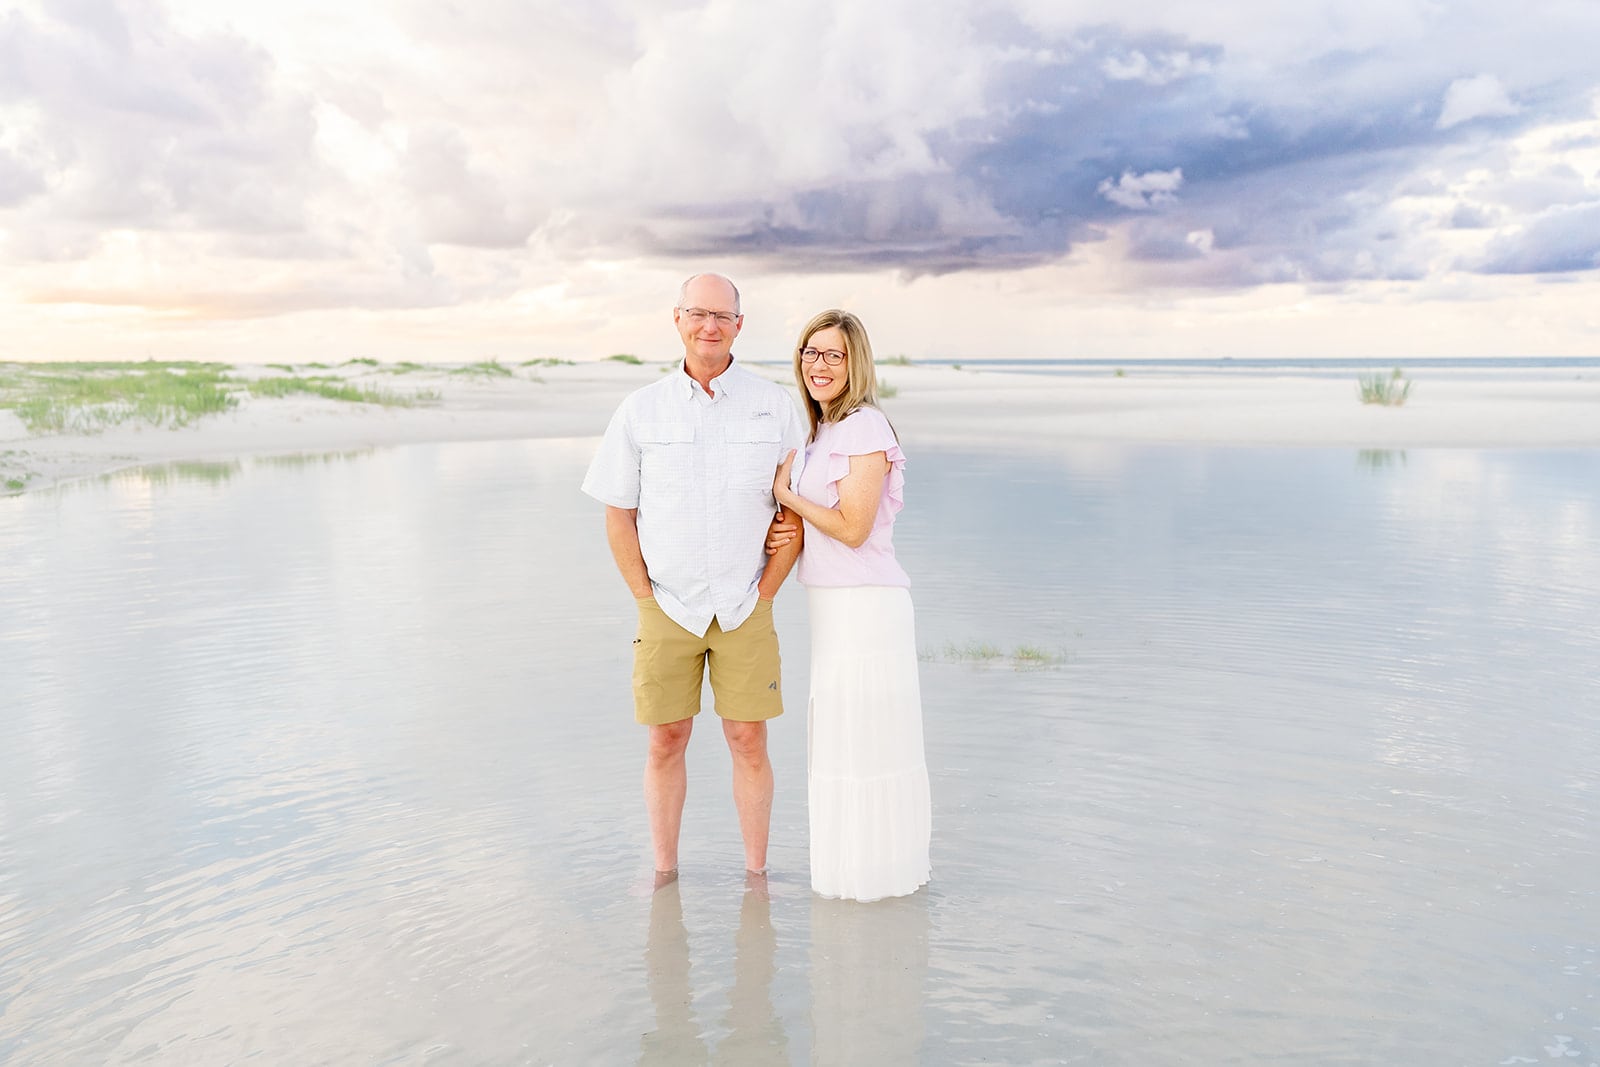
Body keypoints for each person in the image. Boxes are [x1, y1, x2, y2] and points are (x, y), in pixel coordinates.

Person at [582, 272, 807, 878]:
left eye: (722, 316)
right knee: (666, 740)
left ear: (740, 324)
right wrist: (643, 598)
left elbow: (796, 511)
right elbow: (617, 512)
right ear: (677, 319)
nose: (710, 326)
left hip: (745, 605)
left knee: (748, 742)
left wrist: (766, 592)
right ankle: (663, 873)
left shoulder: (773, 406)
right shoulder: (640, 410)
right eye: (698, 314)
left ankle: (756, 877)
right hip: (666, 607)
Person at [770, 309, 931, 901]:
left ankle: (877, 883)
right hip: (832, 607)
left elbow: (855, 527)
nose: (819, 365)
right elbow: (810, 526)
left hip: (867, 606)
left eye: (833, 355)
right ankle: (845, 880)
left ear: (855, 363)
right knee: (842, 738)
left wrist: (787, 494)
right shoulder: (819, 433)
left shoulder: (865, 427)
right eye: (811, 353)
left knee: (869, 741)